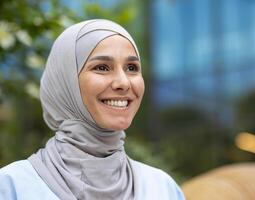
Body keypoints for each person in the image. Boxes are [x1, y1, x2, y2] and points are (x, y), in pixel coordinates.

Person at [0, 19, 185, 200]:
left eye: (131, 67)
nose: (123, 82)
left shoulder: (162, 188)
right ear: (66, 82)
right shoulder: (12, 187)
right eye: (102, 67)